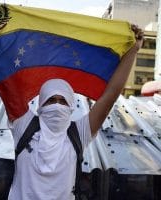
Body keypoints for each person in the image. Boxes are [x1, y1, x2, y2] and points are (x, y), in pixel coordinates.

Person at [8, 25, 143, 200]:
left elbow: (110, 96)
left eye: (63, 101)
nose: (57, 105)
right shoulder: (23, 126)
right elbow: (7, 81)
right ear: (41, 105)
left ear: (71, 107)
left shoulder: (78, 134)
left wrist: (133, 51)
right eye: (51, 100)